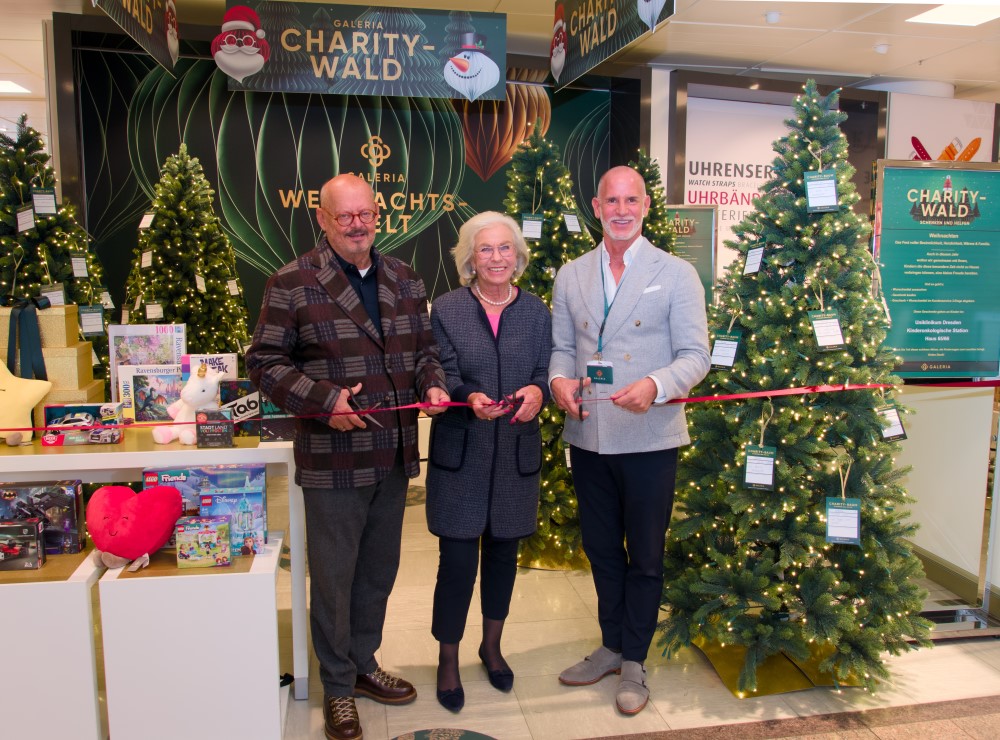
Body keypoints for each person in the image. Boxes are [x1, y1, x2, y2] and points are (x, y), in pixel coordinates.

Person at [246, 173, 450, 740]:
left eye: (365, 214)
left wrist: (433, 385)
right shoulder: (291, 281)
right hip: (333, 458)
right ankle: (337, 689)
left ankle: (363, 664)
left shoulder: (405, 277)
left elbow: (425, 350)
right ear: (323, 219)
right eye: (345, 217)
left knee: (378, 575)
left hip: (394, 455)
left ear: (377, 214)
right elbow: (264, 362)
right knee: (334, 580)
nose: (357, 225)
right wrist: (323, 399)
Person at [549, 166, 710, 715]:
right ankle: (611, 644)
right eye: (611, 200)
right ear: (596, 207)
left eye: (631, 200)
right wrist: (558, 382)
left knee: (644, 554)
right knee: (599, 550)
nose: (621, 210)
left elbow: (696, 356)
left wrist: (657, 385)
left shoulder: (677, 273)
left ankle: (635, 660)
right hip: (589, 434)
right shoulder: (570, 275)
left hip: (650, 434)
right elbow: (561, 350)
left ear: (645, 206)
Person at [425, 211, 552, 712]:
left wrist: (538, 391)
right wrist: (467, 395)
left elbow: (546, 368)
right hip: (463, 453)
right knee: (456, 563)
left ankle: (492, 646)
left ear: (517, 256)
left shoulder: (537, 311)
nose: (496, 258)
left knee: (503, 557)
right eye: (485, 250)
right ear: (469, 259)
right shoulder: (448, 309)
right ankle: (449, 657)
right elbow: (443, 368)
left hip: (515, 454)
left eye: (504, 249)